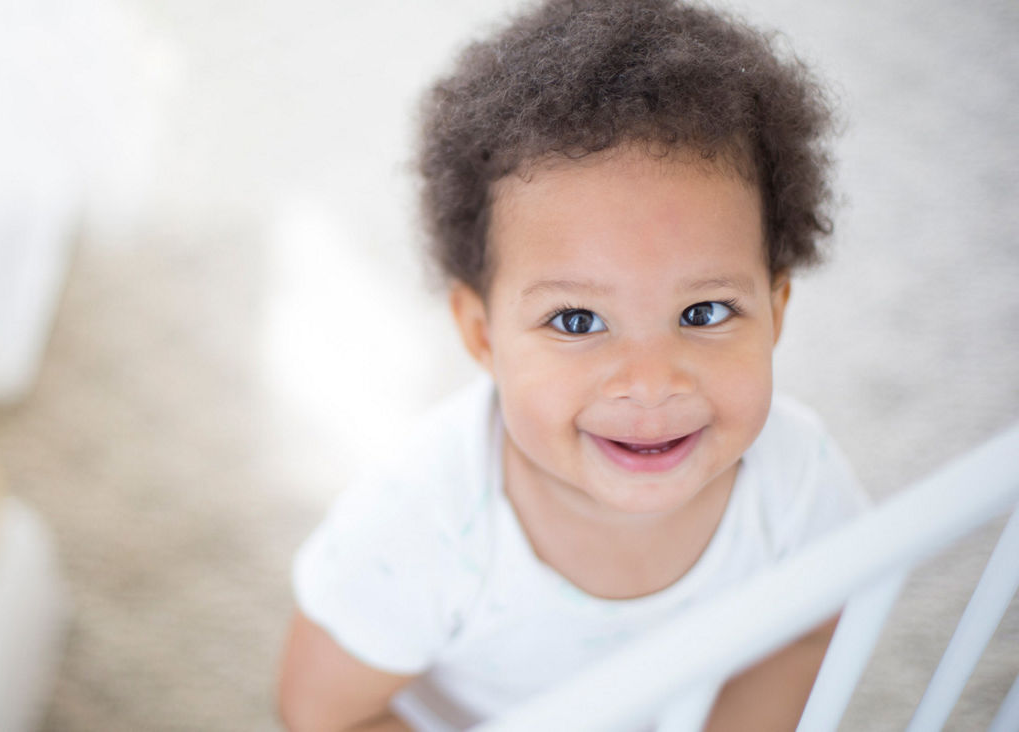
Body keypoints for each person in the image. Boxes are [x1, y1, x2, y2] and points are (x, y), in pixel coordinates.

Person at [278, 0, 869, 729]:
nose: (652, 382)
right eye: (578, 321)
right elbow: (322, 713)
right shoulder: (421, 523)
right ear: (482, 334)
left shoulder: (797, 476)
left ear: (776, 309)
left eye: (704, 312)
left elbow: (818, 626)